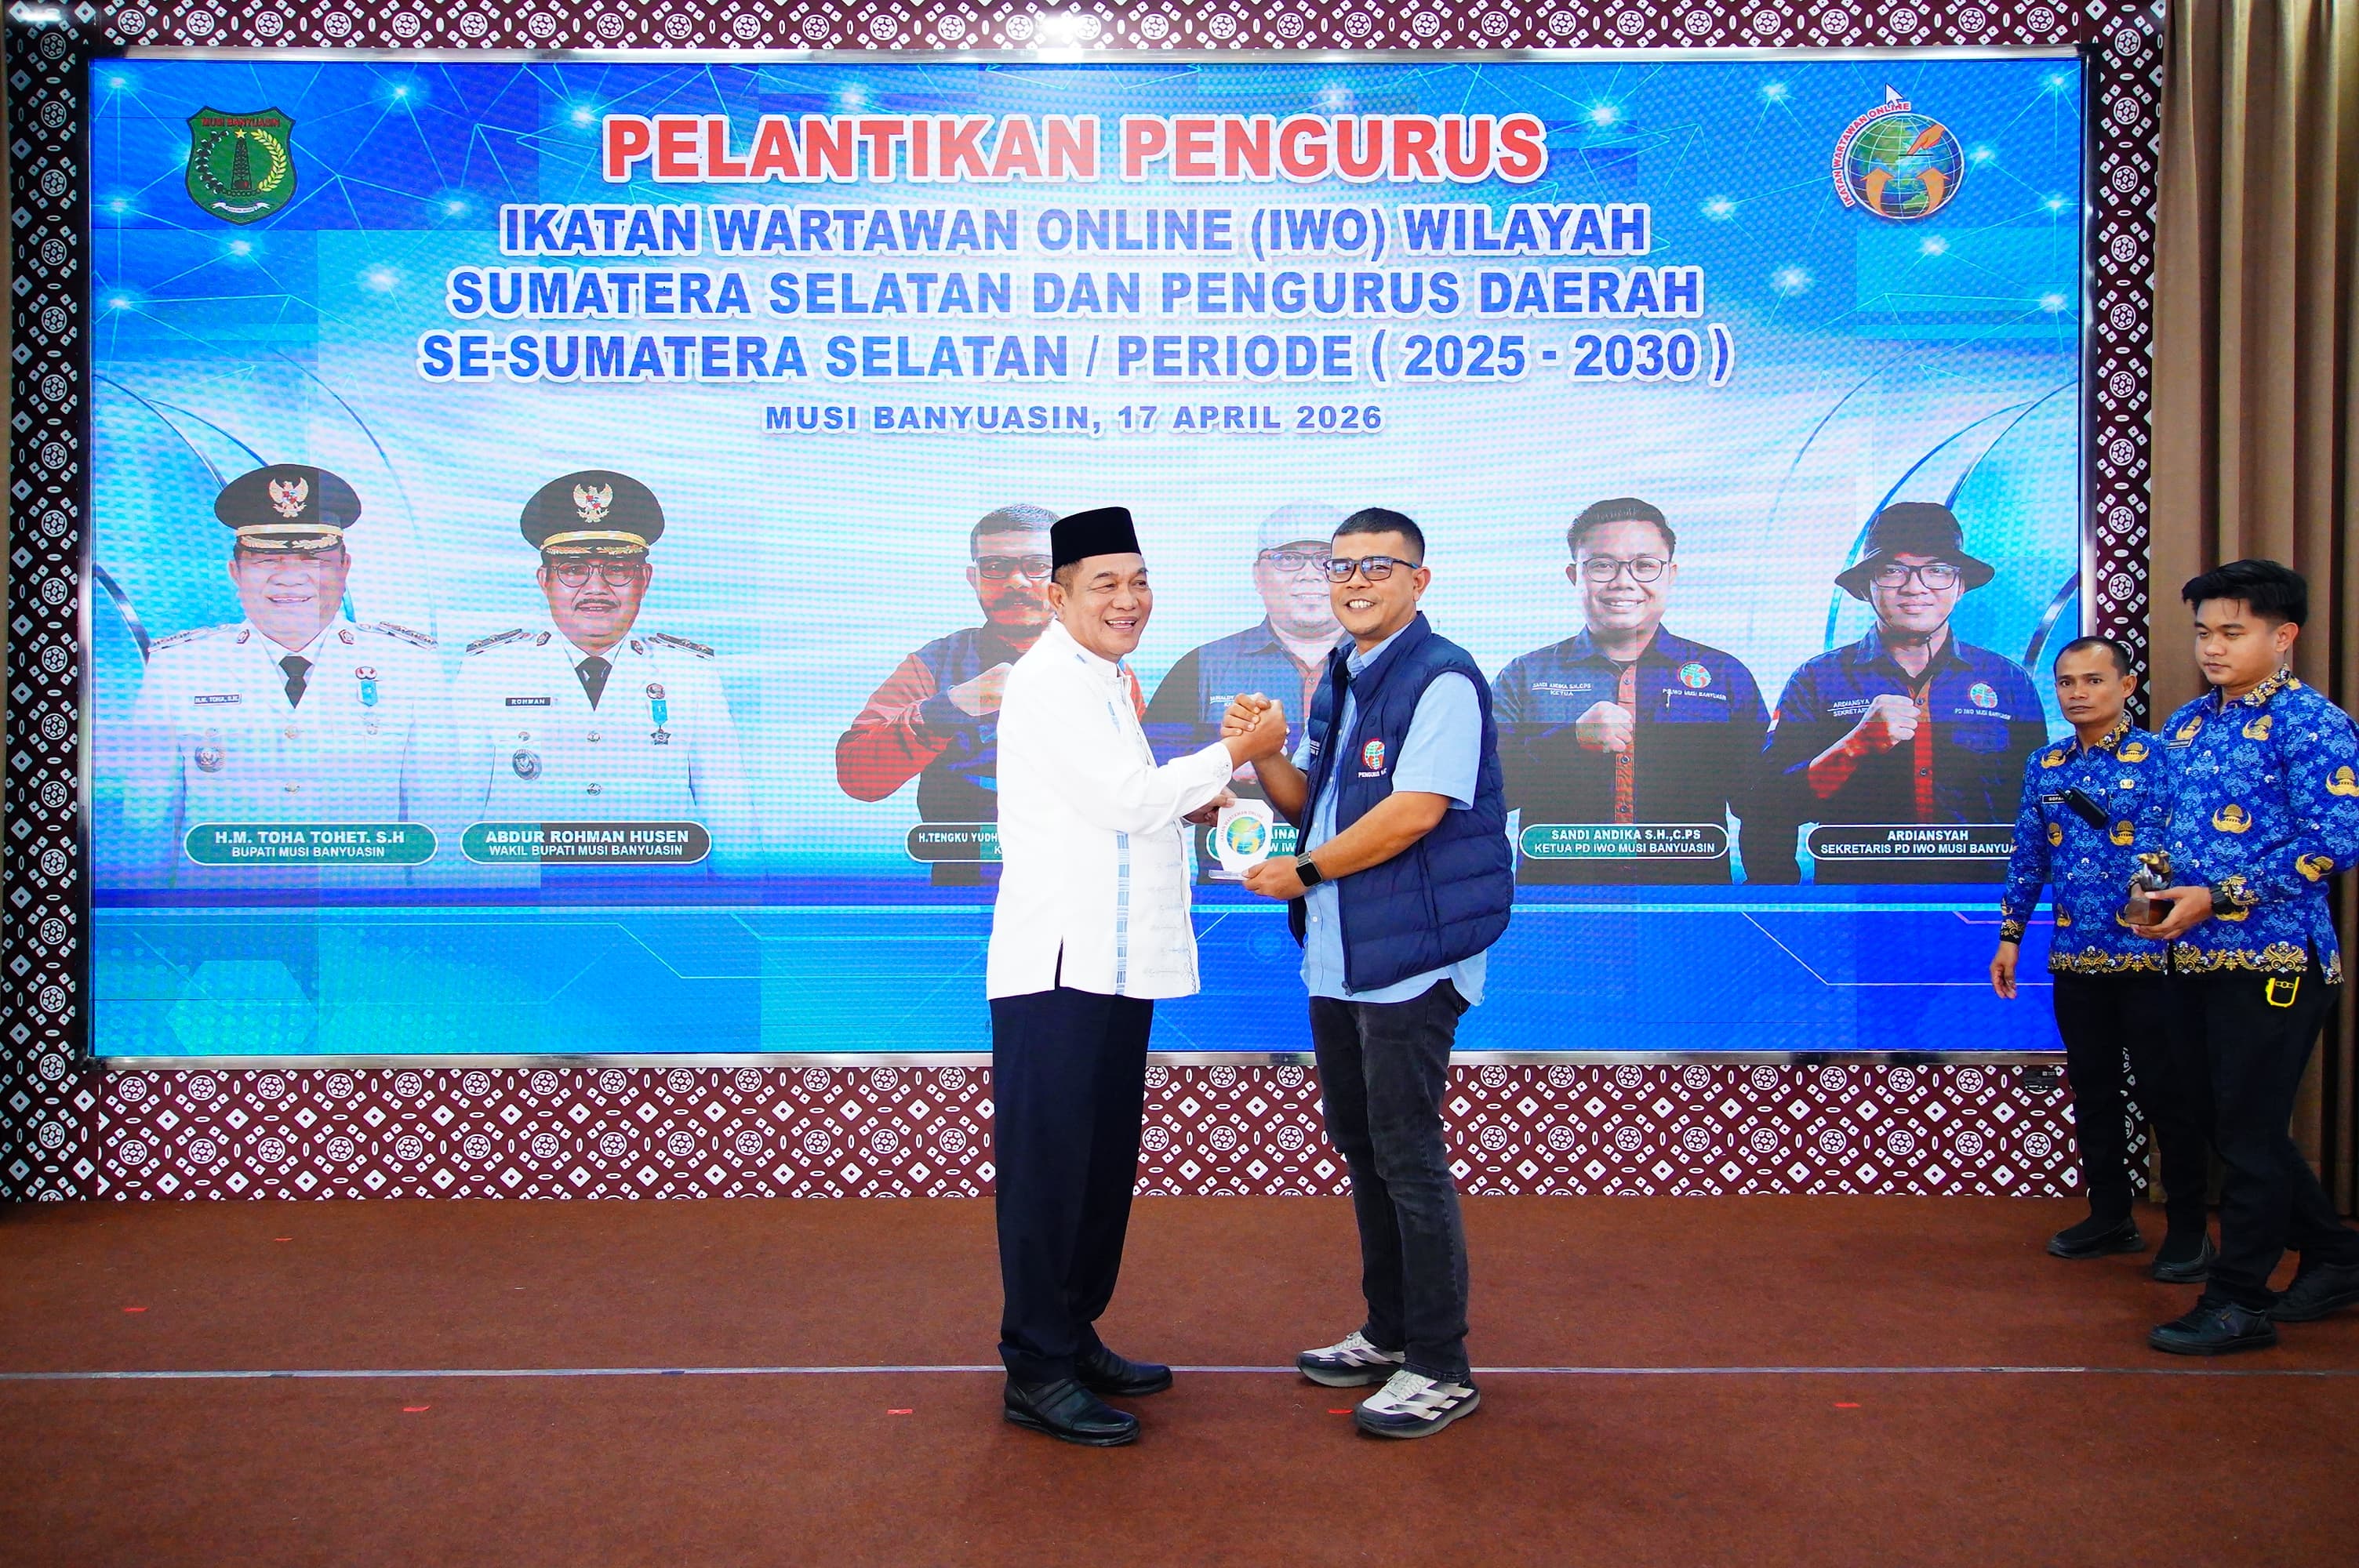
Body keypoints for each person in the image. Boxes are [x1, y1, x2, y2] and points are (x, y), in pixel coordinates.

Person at [987, 505, 1290, 1446]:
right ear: (1056, 595)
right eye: (1104, 584)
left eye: (1138, 581)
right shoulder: (1049, 679)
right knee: (1049, 1172)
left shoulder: (1107, 680)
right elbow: (1124, 800)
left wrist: (1195, 800)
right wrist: (1235, 752)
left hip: (1114, 962)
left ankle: (1073, 1333)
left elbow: (1120, 801)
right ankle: (1036, 1366)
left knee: (1099, 1163)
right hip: (1059, 965)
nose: (1128, 600)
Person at [1228, 506, 1515, 1440]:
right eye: (1341, 566)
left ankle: (1439, 1363)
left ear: (1417, 581)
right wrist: (1264, 753)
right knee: (1362, 1142)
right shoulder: (1344, 676)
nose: (1353, 582)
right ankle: (1389, 1330)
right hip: (1341, 952)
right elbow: (1315, 806)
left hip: (1411, 959)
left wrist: (1304, 871)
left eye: (1376, 567)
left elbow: (1414, 812)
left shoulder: (1442, 677)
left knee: (1405, 1150)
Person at [2135, 561, 2359, 1354]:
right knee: (2223, 1123)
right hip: (2188, 957)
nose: (2212, 647)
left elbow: (2334, 841)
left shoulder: (2312, 723)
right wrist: (2150, 887)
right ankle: (2335, 1256)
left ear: (2282, 635)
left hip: (2274, 962)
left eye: (2232, 632)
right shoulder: (2187, 723)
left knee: (2250, 1133)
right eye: (2203, 632)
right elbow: (2159, 826)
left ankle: (2237, 1301)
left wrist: (2220, 895)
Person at [1990, 637, 2210, 1278]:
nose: (2078, 693)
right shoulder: (2046, 764)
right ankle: (2111, 1216)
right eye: (2067, 682)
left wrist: (2153, 904)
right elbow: (2029, 855)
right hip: (2075, 959)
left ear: (2126, 686)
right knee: (2093, 1091)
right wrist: (2011, 935)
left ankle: (2190, 1233)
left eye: (2093, 680)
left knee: (2168, 1095)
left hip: (2153, 959)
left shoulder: (2165, 759)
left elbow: (2187, 851)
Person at [115, 463, 442, 883]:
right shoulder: (179, 666)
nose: (289, 578)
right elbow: (147, 825)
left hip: (360, 911)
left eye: (313, 559)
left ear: (344, 568)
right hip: (227, 908)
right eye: (266, 559)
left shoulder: (410, 666)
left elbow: (436, 821)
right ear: (235, 572)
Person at [448, 470, 750, 854]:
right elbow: (454, 813)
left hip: (653, 884)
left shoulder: (690, 674)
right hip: (527, 881)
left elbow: (731, 816)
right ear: (544, 580)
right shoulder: (489, 672)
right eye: (573, 570)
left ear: (645, 579)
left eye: (617, 569)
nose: (595, 588)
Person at [1755, 503, 2047, 883]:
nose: (1915, 587)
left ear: (1960, 587)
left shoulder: (2008, 681)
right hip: (1860, 903)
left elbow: (2040, 807)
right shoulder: (1816, 680)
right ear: (1866, 586)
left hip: (1984, 900)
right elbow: (1768, 805)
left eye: (1938, 571)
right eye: (1893, 570)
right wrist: (1853, 746)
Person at [1492, 497, 1770, 884]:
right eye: (1602, 565)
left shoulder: (1725, 676)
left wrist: (1765, 894)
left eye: (1645, 565)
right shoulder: (1525, 675)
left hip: (1687, 904)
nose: (1624, 581)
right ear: (1574, 576)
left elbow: (1760, 804)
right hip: (1561, 904)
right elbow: (1487, 795)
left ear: (1670, 574)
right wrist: (1570, 740)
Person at [836, 503, 1056, 884]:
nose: (1017, 582)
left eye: (1037, 565)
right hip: (966, 892)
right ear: (974, 579)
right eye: (996, 567)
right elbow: (858, 777)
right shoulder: (933, 665)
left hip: (1082, 890)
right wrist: (948, 708)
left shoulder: (1107, 670)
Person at [1146, 502, 1345, 879]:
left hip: (1357, 886)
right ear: (1258, 575)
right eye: (1288, 559)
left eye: (1327, 560)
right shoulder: (1201, 666)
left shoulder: (1384, 667)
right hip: (1234, 891)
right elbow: (1149, 782)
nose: (1309, 575)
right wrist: (1223, 764)